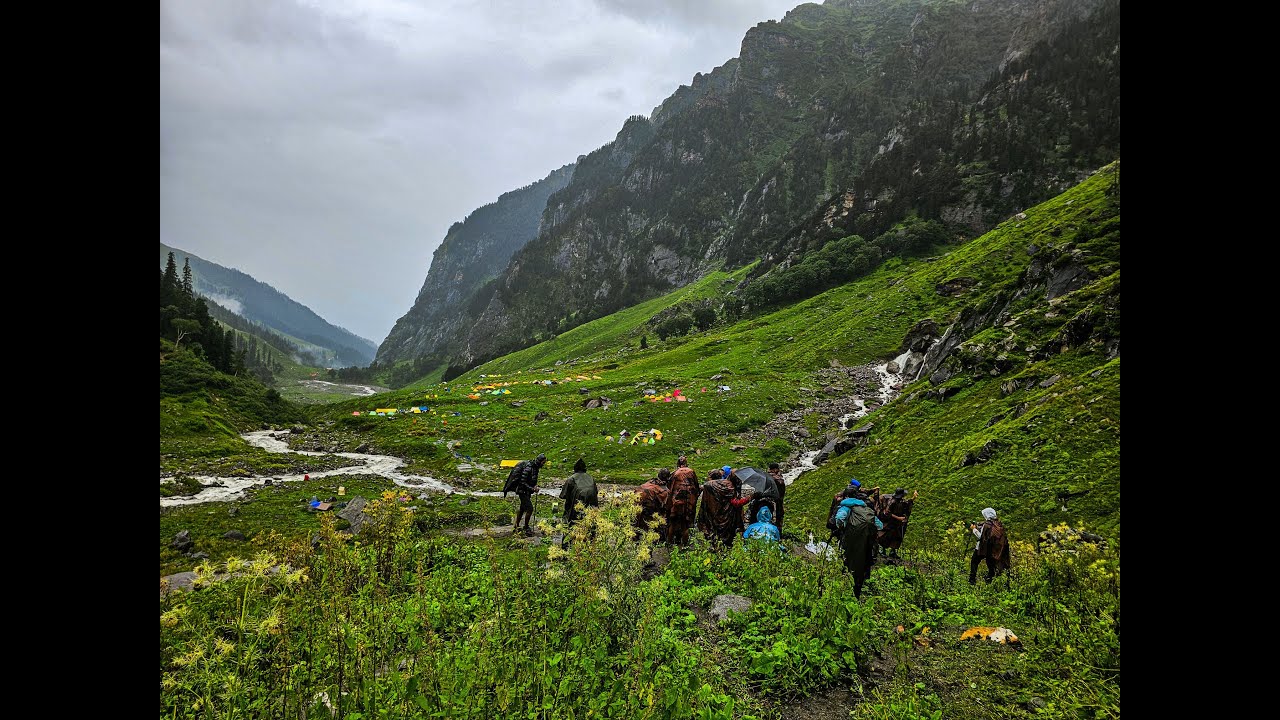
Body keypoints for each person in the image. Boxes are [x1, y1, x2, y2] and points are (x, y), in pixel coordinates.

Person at [835, 485, 881, 599]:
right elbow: (879, 525)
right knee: (862, 563)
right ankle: (858, 589)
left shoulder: (846, 507)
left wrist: (842, 527)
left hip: (850, 541)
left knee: (848, 560)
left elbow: (840, 518)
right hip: (865, 541)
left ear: (846, 496)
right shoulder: (866, 508)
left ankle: (845, 586)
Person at [697, 469, 748, 548]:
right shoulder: (731, 487)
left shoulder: (713, 484)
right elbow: (736, 503)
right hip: (727, 516)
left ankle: (715, 546)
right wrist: (748, 498)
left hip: (714, 512)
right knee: (726, 535)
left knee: (714, 533)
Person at [559, 458, 599, 545]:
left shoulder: (571, 479)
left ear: (575, 469)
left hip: (576, 507)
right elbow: (596, 492)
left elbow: (563, 495)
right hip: (592, 507)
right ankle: (590, 545)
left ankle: (566, 546)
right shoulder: (591, 478)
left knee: (569, 522)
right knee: (591, 525)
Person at [665, 456, 701, 546]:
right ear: (686, 463)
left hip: (676, 502)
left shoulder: (675, 473)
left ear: (678, 463)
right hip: (689, 502)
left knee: (673, 523)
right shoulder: (691, 472)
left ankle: (669, 543)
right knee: (685, 525)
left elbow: (669, 487)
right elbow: (696, 486)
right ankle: (685, 545)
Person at [969, 507, 1011, 584]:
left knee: (974, 562)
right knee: (991, 566)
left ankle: (972, 580)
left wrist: (974, 529)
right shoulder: (998, 524)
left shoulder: (987, 525)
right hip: (993, 549)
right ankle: (990, 581)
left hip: (982, 548)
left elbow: (981, 537)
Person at [877, 487, 918, 559]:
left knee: (897, 536)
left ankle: (893, 551)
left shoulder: (900, 501)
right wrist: (898, 518)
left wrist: (913, 498)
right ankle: (882, 550)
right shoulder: (892, 501)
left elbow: (906, 503)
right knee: (885, 535)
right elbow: (887, 513)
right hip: (889, 522)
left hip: (897, 523)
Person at [512, 453, 547, 535]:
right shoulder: (529, 468)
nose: (543, 464)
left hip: (527, 491)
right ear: (539, 461)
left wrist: (534, 486)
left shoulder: (535, 468)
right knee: (530, 509)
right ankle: (526, 527)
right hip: (522, 491)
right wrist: (532, 489)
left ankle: (516, 526)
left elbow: (532, 480)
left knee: (522, 508)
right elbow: (522, 482)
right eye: (543, 462)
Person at [634, 468, 671, 540]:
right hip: (648, 513)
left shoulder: (646, 484)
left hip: (636, 509)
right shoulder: (664, 492)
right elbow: (667, 508)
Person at [767, 462, 787, 531]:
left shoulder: (768, 477)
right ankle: (778, 532)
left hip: (770, 503)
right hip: (778, 502)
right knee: (778, 519)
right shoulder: (779, 478)